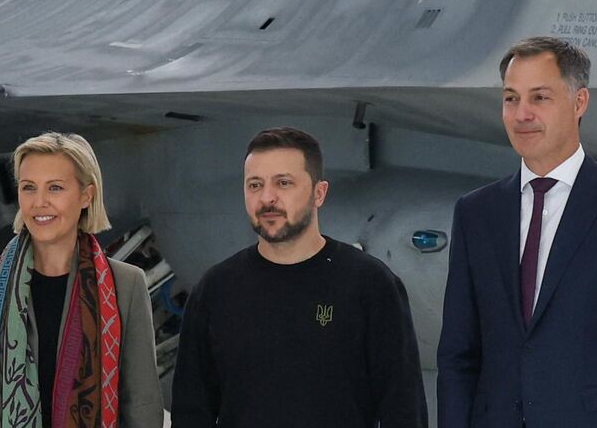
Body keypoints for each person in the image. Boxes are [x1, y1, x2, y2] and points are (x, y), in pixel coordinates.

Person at [437, 37, 597, 428]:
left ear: (579, 102)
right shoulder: (475, 213)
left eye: (539, 98)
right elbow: (457, 355)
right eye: (510, 99)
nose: (522, 114)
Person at [171, 127, 427, 428]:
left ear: (319, 193)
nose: (267, 198)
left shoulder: (370, 284)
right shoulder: (215, 291)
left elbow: (404, 409)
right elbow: (191, 413)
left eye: (283, 183)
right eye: (255, 185)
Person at [0, 132, 163, 427]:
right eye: (29, 188)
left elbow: (143, 405)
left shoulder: (127, 284)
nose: (39, 202)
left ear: (86, 195)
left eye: (55, 188)